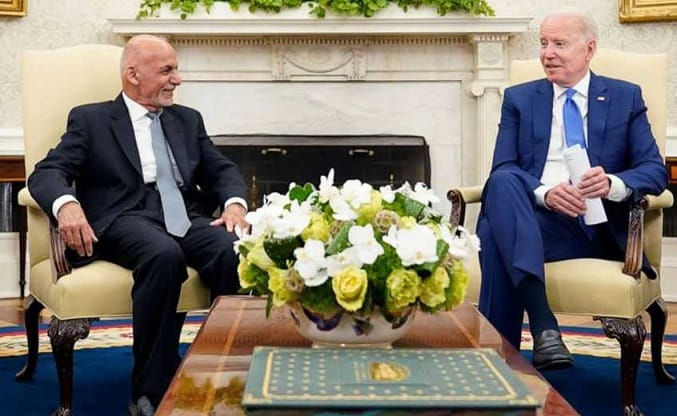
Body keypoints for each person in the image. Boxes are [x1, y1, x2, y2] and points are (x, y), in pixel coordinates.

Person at [28, 35, 248, 416]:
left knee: (234, 250)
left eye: (176, 69)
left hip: (184, 214)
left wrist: (234, 205)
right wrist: (67, 205)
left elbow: (221, 169)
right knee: (163, 255)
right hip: (124, 216)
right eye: (167, 70)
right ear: (133, 74)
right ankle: (150, 391)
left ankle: (224, 374)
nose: (177, 79)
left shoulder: (187, 119)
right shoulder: (92, 119)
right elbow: (48, 172)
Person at [477, 11, 667, 371]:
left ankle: (500, 366)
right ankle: (544, 327)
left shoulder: (624, 97)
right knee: (502, 182)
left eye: (559, 44)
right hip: (537, 222)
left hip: (597, 228)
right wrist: (545, 193)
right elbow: (503, 168)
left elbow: (654, 169)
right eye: (543, 43)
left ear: (589, 49)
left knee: (491, 233)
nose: (547, 53)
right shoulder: (519, 99)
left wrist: (612, 184)